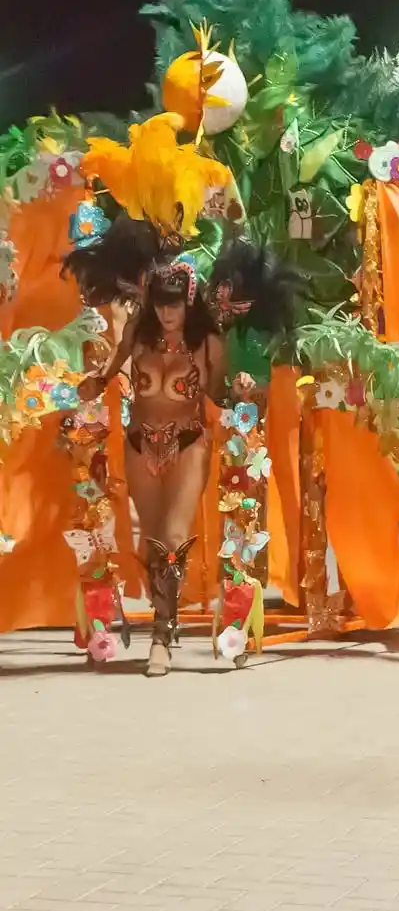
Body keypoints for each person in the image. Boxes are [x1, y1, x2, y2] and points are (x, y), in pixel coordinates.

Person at [67, 217, 297, 675]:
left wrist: (245, 394)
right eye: (160, 304)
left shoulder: (207, 342)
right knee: (153, 545)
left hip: (189, 445)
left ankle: (161, 639)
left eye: (174, 306)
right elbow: (109, 374)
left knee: (173, 538)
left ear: (187, 303)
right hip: (139, 445)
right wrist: (89, 386)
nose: (167, 313)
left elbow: (216, 397)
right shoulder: (138, 332)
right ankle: (163, 622)